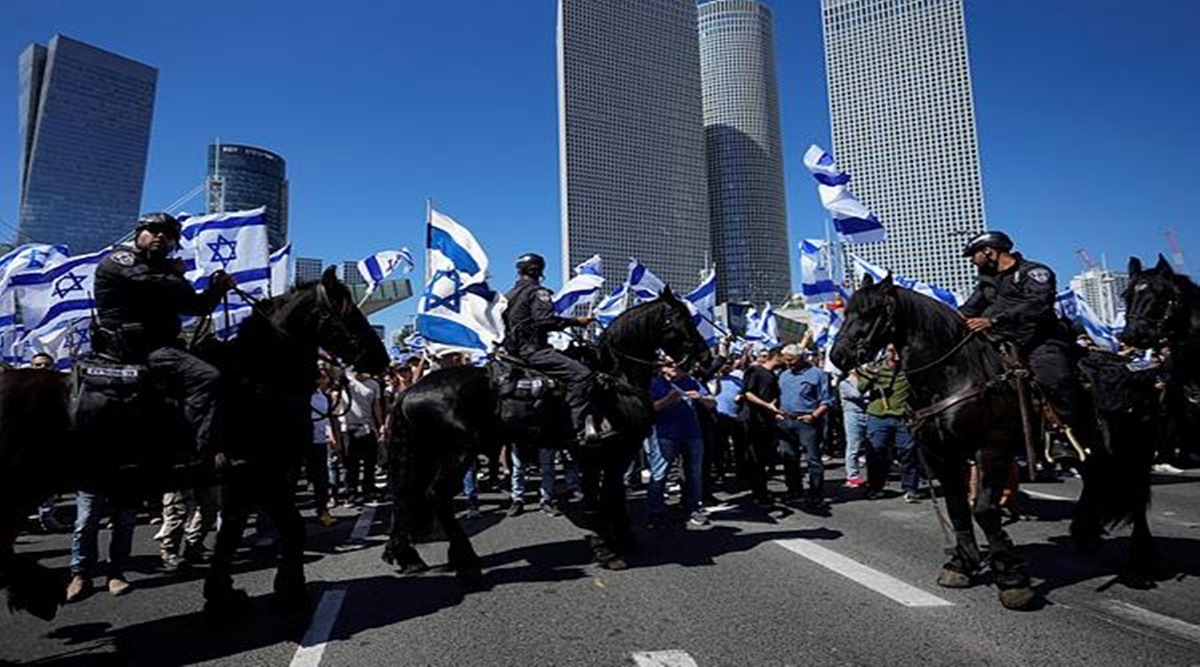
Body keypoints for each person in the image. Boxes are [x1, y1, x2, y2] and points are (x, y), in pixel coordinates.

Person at [92, 212, 237, 465]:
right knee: (206, 376)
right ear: (138, 234)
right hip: (132, 348)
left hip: (160, 346)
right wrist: (175, 273)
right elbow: (148, 282)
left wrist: (218, 288)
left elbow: (195, 306)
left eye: (169, 234)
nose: (161, 236)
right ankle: (196, 450)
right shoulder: (121, 260)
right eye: (153, 230)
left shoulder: (165, 271)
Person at [959, 230, 1094, 461]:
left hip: (1039, 340)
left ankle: (1063, 434)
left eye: (973, 255)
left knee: (1052, 376)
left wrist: (993, 320)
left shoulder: (1033, 272)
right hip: (1001, 341)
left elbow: (1038, 304)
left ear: (988, 251)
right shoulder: (987, 282)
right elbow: (969, 309)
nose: (971, 260)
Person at [502, 253, 605, 443]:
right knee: (582, 374)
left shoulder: (508, 295)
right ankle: (577, 427)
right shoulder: (537, 292)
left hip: (512, 352)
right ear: (539, 271)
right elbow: (545, 320)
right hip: (534, 351)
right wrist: (576, 321)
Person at [646, 357, 715, 528]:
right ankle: (656, 512)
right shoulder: (654, 383)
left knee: (694, 473)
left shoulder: (690, 381)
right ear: (662, 367)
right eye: (670, 364)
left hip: (692, 432)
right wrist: (668, 400)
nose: (676, 367)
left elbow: (712, 402)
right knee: (660, 473)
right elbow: (649, 408)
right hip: (665, 434)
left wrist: (700, 398)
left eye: (680, 364)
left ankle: (692, 507)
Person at [858, 345, 922, 502]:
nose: (896, 355)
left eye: (899, 351)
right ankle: (875, 486)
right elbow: (860, 388)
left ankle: (910, 488)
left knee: (909, 452)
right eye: (893, 351)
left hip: (902, 417)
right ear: (887, 352)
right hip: (878, 416)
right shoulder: (875, 368)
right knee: (876, 452)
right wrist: (870, 377)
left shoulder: (909, 370)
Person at [776, 346, 833, 508]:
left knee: (813, 459)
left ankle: (815, 494)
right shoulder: (784, 375)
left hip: (807, 422)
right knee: (789, 459)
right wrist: (777, 413)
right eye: (785, 360)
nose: (788, 363)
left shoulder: (818, 374)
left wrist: (814, 416)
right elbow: (777, 396)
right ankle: (794, 491)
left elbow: (827, 400)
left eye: (791, 360)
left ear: (801, 358)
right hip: (786, 421)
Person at [739, 346, 787, 506]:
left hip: (766, 420)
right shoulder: (755, 371)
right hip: (753, 420)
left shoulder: (772, 374)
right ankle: (758, 493)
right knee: (756, 457)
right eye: (784, 357)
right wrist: (767, 405)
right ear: (777, 356)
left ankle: (762, 489)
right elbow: (748, 393)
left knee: (765, 456)